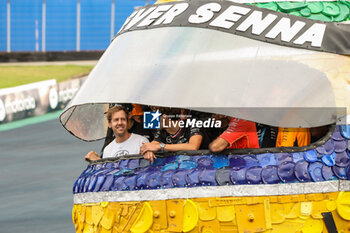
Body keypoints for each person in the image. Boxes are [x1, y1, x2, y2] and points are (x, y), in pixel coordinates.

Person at [85, 105, 149, 161]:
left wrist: (97, 160)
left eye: (123, 119)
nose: (120, 123)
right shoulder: (108, 150)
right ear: (110, 124)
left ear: (127, 122)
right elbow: (108, 173)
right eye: (116, 120)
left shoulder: (141, 142)